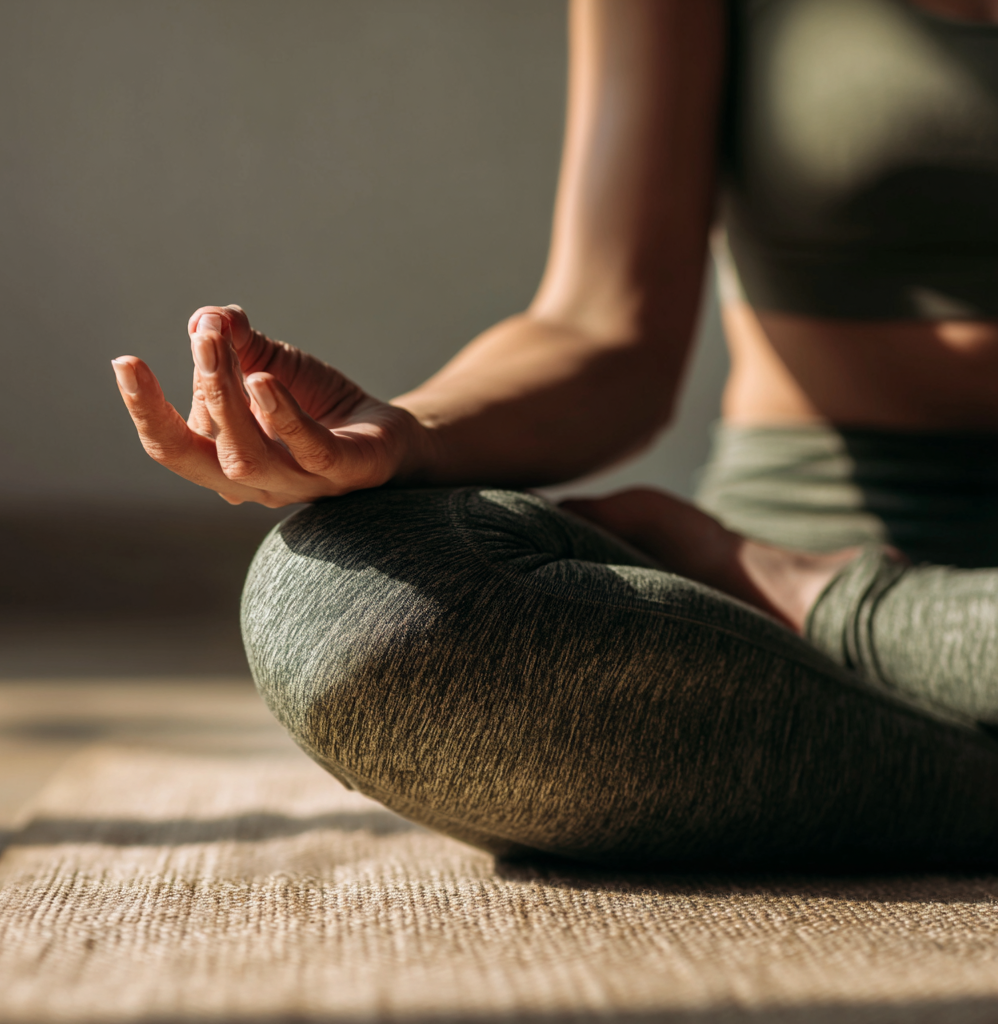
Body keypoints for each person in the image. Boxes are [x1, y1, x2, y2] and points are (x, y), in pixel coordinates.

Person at [111, 0, 998, 869]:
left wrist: (829, 604)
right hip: (754, 628)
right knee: (344, 607)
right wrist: (405, 433)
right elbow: (600, 326)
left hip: (780, 595)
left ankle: (869, 680)